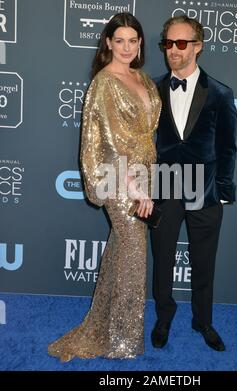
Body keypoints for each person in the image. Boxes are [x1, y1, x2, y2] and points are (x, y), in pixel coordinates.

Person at [48, 13, 161, 362]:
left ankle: (107, 325)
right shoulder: (105, 82)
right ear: (108, 43)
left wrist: (149, 181)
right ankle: (123, 342)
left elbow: (146, 132)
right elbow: (111, 145)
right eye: (120, 40)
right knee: (133, 255)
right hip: (120, 178)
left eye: (133, 40)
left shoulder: (141, 78)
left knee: (121, 253)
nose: (126, 47)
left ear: (140, 43)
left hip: (144, 172)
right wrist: (137, 190)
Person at [151, 15, 237, 352]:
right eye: (168, 43)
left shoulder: (220, 93)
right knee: (162, 261)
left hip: (205, 192)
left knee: (204, 263)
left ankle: (203, 321)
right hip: (164, 189)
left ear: (198, 46)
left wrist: (224, 191)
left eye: (181, 43)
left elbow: (228, 147)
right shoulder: (152, 90)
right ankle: (163, 317)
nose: (173, 49)